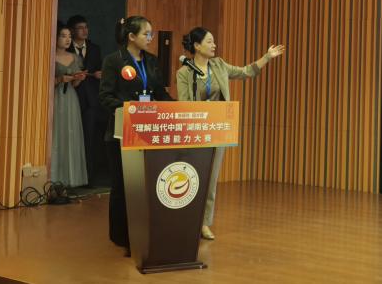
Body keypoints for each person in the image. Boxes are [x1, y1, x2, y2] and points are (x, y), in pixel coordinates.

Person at [177, 27, 284, 240]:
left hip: (218, 131)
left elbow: (246, 72)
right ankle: (187, 220)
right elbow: (183, 103)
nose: (214, 45)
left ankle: (204, 223)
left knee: (211, 179)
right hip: (196, 132)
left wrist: (267, 57)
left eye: (213, 41)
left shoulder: (219, 65)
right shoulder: (185, 72)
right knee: (193, 177)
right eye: (209, 41)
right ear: (197, 46)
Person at [99, 16, 173, 255]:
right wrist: (131, 110)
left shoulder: (151, 60)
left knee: (147, 185)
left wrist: (176, 108)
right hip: (122, 132)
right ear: (131, 36)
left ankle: (146, 233)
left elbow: (160, 93)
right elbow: (106, 97)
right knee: (123, 186)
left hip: (149, 132)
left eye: (151, 34)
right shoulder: (113, 60)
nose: (150, 38)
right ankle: (121, 236)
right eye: (146, 34)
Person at [66, 15, 105, 186]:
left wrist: (99, 74)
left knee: (90, 138)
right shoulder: (66, 48)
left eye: (86, 27)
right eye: (80, 27)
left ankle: (89, 176)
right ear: (72, 31)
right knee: (72, 137)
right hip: (71, 97)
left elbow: (100, 69)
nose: (85, 30)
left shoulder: (95, 48)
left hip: (91, 100)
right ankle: (71, 176)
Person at [52, 22, 88, 188]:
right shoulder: (49, 55)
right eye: (63, 36)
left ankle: (69, 179)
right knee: (56, 135)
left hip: (70, 99)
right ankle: (53, 179)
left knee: (70, 133)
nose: (67, 40)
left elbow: (74, 85)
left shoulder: (75, 57)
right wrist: (60, 79)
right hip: (55, 98)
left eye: (69, 36)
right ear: (55, 37)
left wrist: (78, 79)